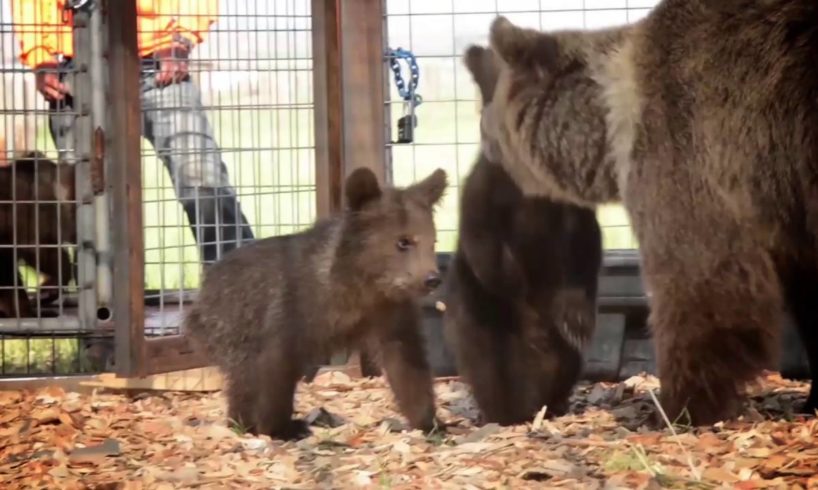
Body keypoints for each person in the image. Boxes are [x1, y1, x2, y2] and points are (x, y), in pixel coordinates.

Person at [11, 0, 255, 266]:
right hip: (76, 67)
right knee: (85, 192)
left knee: (200, 175)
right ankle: (109, 296)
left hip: (159, 63)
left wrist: (181, 40)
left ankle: (237, 287)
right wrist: (40, 57)